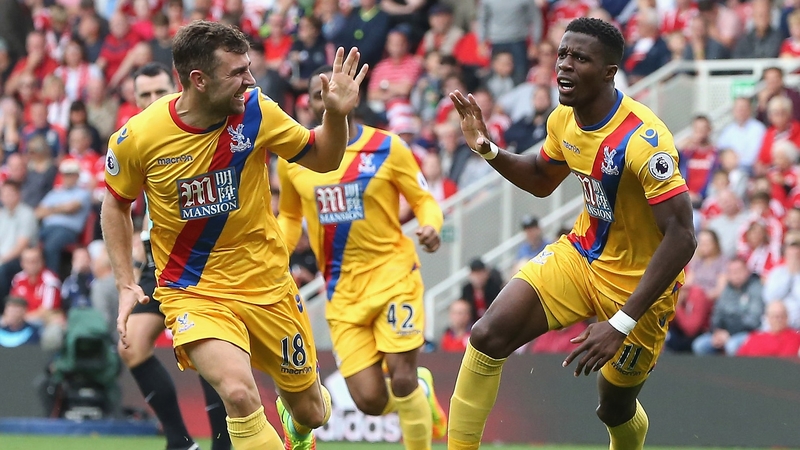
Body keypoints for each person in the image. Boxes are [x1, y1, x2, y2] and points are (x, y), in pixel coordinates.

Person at [101, 21, 368, 450]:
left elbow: (324, 158)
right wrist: (125, 281)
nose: (250, 80)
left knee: (312, 413)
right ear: (198, 80)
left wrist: (335, 114)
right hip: (192, 289)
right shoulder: (138, 137)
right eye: (237, 72)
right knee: (238, 393)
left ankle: (297, 426)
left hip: (267, 285)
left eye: (249, 68)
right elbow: (115, 202)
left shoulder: (257, 112)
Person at [446, 17, 697, 450]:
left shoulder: (644, 140)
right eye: (562, 54)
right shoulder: (563, 119)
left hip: (640, 288)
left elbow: (682, 237)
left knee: (613, 408)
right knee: (487, 335)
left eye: (580, 58)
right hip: (581, 257)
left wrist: (620, 322)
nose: (564, 65)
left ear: (608, 72)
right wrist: (486, 147)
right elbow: (542, 178)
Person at [277, 64, 448, 450]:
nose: (327, 100)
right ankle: (421, 392)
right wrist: (277, 253)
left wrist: (431, 226)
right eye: (319, 95)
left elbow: (423, 200)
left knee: (401, 377)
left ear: (352, 97)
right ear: (310, 103)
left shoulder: (388, 147)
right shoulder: (294, 160)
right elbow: (289, 216)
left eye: (334, 91)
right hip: (342, 291)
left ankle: (414, 398)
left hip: (393, 276)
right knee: (369, 401)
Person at [119, 63, 229, 450]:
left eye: (159, 91)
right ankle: (180, 441)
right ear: (134, 100)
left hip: (200, 256)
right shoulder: (136, 139)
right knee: (131, 344)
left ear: (179, 88)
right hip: (154, 259)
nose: (152, 100)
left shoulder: (197, 128)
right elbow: (120, 204)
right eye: (144, 95)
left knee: (204, 349)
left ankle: (222, 443)